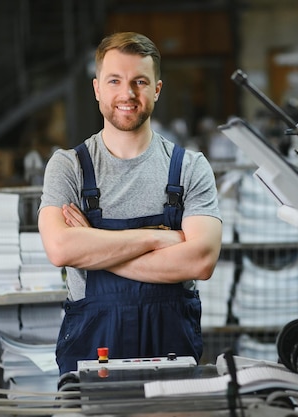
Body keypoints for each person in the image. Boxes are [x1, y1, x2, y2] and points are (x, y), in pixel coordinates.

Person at [38, 31, 223, 375]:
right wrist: (157, 238)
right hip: (92, 350)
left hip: (170, 350)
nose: (127, 94)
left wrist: (95, 248)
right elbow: (61, 249)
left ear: (157, 89)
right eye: (114, 81)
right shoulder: (68, 166)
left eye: (140, 81)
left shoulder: (190, 167)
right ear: (97, 89)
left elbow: (201, 260)